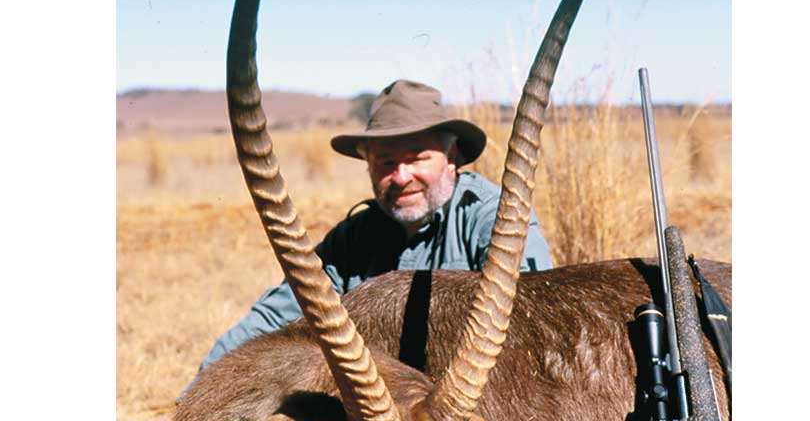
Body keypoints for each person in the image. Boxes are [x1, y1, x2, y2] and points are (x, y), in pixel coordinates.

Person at [201, 79, 552, 368]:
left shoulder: (494, 217)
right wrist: (201, 390)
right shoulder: (352, 238)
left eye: (416, 158)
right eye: (385, 162)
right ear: (368, 166)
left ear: (451, 156)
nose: (401, 177)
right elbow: (276, 315)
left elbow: (534, 327)